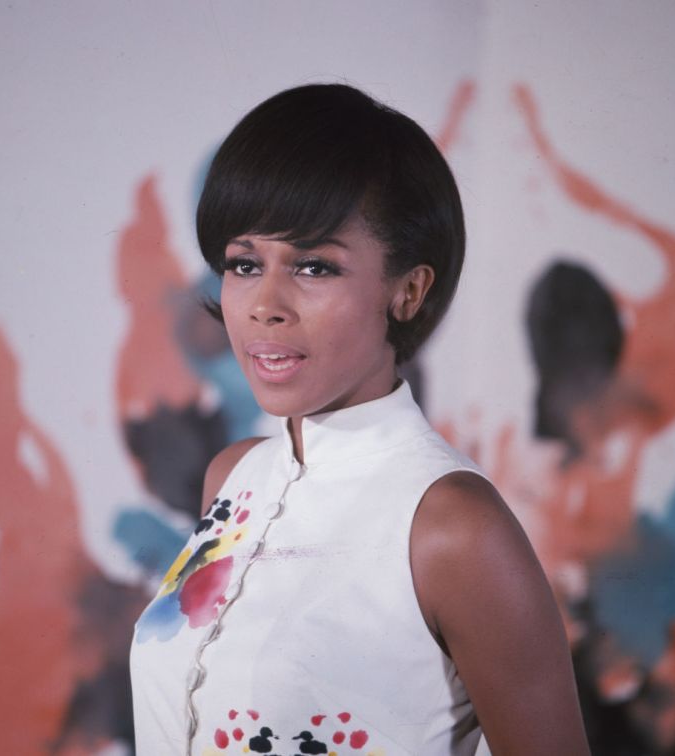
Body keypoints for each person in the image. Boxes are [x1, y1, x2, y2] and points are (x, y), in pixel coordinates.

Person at [130, 83, 589, 755]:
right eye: (244, 263)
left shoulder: (453, 527)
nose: (264, 304)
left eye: (314, 266)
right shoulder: (232, 477)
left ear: (409, 289)